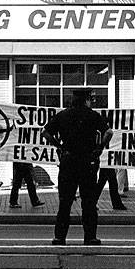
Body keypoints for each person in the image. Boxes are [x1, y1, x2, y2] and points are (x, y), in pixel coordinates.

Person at [43, 88, 112, 246]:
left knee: (65, 201)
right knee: (88, 202)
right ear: (86, 99)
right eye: (90, 98)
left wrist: (58, 146)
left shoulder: (63, 115)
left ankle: (59, 237)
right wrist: (99, 148)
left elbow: (45, 132)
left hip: (68, 161)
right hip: (87, 161)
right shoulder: (93, 115)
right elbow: (109, 132)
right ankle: (90, 237)